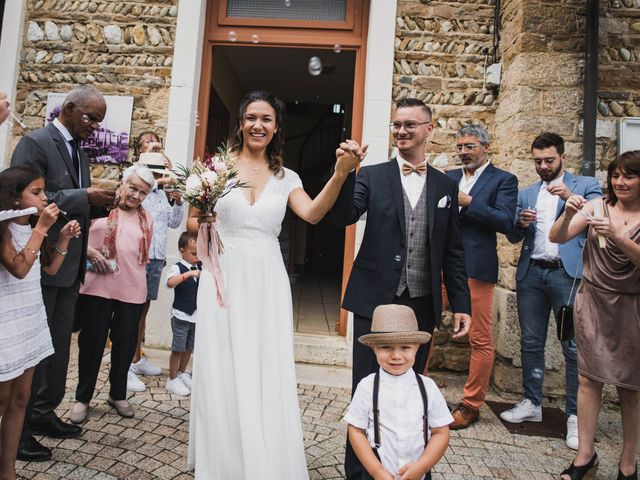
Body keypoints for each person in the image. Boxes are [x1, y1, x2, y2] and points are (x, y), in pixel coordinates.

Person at [185, 90, 362, 479]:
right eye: (251, 118)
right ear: (240, 123)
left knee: (263, 360)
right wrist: (206, 221)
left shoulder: (287, 178)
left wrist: (340, 173)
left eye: (266, 119)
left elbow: (313, 214)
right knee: (222, 359)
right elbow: (192, 223)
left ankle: (263, 450)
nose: (257, 125)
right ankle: (225, 455)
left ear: (276, 127)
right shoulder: (215, 168)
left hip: (266, 277)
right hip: (223, 275)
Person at [330, 97, 471, 479]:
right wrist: (345, 172)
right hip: (374, 295)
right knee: (366, 386)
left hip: (421, 300)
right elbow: (344, 216)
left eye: (411, 124)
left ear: (430, 129)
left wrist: (462, 304)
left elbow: (454, 251)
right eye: (397, 125)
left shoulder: (445, 184)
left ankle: (410, 468)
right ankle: (360, 472)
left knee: (411, 388)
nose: (403, 131)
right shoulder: (372, 175)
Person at [10, 85, 115, 461]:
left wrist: (103, 204)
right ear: (69, 109)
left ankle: (42, 413)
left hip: (70, 266)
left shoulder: (80, 151)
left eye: (100, 122)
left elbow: (71, 201)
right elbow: (25, 199)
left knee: (55, 347)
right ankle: (17, 431)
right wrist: (85, 196)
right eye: (91, 118)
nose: (95, 128)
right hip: (41, 261)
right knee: (34, 351)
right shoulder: (35, 142)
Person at [502, 132, 602, 451]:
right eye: (538, 162)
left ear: (563, 157)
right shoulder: (527, 192)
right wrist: (519, 222)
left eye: (549, 160)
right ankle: (532, 402)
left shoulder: (585, 184)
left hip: (567, 276)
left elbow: (598, 217)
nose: (543, 166)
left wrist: (571, 195)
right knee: (531, 341)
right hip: (532, 274)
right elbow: (514, 238)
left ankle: (575, 414)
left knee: (571, 346)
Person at [549, 150, 640, 480]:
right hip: (593, 302)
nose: (620, 182)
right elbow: (557, 237)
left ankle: (628, 463)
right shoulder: (596, 205)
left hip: (632, 307)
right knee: (588, 379)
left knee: (631, 387)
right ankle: (585, 457)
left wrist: (616, 236)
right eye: (616, 175)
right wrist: (567, 212)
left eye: (629, 176)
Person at [0, 166, 81, 479]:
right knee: (3, 399)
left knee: (21, 399)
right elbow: (19, 268)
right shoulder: (3, 229)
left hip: (30, 318)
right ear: (13, 197)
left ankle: (7, 471)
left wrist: (61, 238)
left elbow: (48, 268)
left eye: (43, 190)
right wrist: (42, 228)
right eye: (35, 192)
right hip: (7, 321)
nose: (44, 197)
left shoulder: (35, 226)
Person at [444, 125, 518, 429]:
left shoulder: (504, 180)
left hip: (477, 268)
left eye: (470, 146)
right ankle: (414, 390)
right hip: (441, 266)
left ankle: (471, 405)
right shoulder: (447, 177)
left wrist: (470, 203)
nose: (464, 152)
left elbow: (505, 220)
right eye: (460, 146)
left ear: (486, 147)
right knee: (421, 327)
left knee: (481, 339)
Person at [69, 164, 154, 423]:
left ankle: (117, 394)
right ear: (122, 183)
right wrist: (90, 251)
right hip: (97, 287)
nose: (136, 196)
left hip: (131, 288)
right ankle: (83, 398)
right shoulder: (100, 206)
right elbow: (74, 235)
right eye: (133, 188)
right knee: (92, 343)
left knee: (126, 343)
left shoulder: (147, 217)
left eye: (143, 193)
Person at [345, 304, 452, 480]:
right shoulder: (366, 387)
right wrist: (376, 471)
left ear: (417, 346)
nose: (396, 355)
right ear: (373, 347)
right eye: (386, 347)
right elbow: (356, 431)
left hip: (418, 473)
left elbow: (441, 432)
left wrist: (423, 466)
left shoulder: (428, 388)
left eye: (405, 347)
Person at [127, 131, 184, 392]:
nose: (154, 146)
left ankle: (136, 357)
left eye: (157, 143)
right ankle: (125, 365)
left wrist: (177, 198)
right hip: (136, 254)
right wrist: (154, 176)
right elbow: (129, 204)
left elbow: (173, 223)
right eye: (147, 143)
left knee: (143, 308)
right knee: (130, 310)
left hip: (156, 256)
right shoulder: (135, 178)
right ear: (139, 151)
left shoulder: (163, 188)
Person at [164, 231, 199, 396]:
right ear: (182, 250)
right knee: (178, 348)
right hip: (181, 315)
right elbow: (170, 283)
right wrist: (187, 274)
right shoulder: (177, 268)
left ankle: (182, 373)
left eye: (198, 253)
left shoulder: (200, 267)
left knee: (189, 347)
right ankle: (172, 379)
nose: (196, 256)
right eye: (193, 253)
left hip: (195, 316)